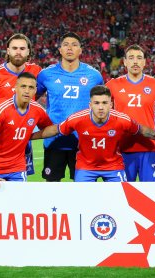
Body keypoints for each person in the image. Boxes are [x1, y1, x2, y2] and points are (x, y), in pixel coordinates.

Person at [32, 85, 155, 182]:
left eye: (105, 103)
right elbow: (55, 129)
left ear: (111, 104)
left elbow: (146, 131)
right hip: (86, 167)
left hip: (113, 167)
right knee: (81, 202)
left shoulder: (122, 120)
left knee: (120, 202)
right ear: (90, 104)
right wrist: (31, 136)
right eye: (97, 103)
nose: (101, 107)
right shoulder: (78, 119)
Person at [37, 32, 104, 182]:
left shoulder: (94, 75)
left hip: (83, 142)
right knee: (52, 188)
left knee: (83, 189)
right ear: (60, 50)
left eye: (74, 45)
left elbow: (103, 105)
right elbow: (31, 102)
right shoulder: (46, 74)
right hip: (54, 141)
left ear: (80, 50)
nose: (70, 48)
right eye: (66, 44)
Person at [105, 44, 155, 182]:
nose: (135, 61)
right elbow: (100, 108)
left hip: (148, 147)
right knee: (121, 194)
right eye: (131, 58)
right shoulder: (113, 85)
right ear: (125, 61)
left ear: (144, 62)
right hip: (120, 148)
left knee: (151, 194)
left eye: (139, 58)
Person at [0, 72, 52, 192]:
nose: (27, 90)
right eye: (23, 86)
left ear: (35, 91)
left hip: (17, 168)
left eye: (31, 87)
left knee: (18, 206)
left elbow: (49, 128)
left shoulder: (38, 110)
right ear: (15, 88)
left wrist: (31, 136)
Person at [0, 33, 42, 176]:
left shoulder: (36, 71)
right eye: (14, 48)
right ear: (8, 51)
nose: (18, 52)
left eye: (22, 48)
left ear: (28, 51)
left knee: (20, 185)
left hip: (22, 140)